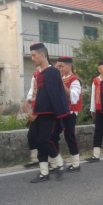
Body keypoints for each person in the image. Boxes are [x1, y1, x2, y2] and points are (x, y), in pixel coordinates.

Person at [29, 43, 70, 183]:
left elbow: (51, 96)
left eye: (34, 55)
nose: (32, 58)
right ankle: (43, 173)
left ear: (42, 55)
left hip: (48, 113)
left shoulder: (51, 72)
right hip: (40, 112)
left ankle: (59, 163)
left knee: (43, 140)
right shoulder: (42, 73)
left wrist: (36, 112)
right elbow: (40, 95)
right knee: (38, 141)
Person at [51, 56, 82, 172]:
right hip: (60, 111)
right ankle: (56, 163)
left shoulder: (74, 80)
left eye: (62, 66)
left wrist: (60, 82)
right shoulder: (61, 78)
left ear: (69, 66)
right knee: (53, 135)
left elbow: (73, 96)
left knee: (69, 136)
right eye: (58, 66)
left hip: (70, 112)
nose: (60, 69)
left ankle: (75, 163)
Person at [22, 65, 41, 168]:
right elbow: (32, 90)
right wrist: (28, 101)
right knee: (31, 135)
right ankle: (35, 159)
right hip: (36, 108)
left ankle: (55, 162)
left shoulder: (49, 73)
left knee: (46, 138)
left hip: (45, 110)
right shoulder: (35, 75)